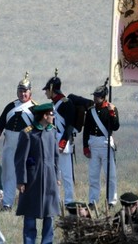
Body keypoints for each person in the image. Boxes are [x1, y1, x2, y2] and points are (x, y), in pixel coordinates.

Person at [14, 103, 60, 244]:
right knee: (30, 214)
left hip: (49, 179)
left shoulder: (52, 131)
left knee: (49, 214)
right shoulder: (28, 133)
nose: (53, 117)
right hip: (33, 180)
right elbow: (20, 159)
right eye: (51, 114)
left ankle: (47, 242)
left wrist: (57, 176)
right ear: (45, 116)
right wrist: (21, 180)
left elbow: (56, 156)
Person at [0, 71, 37, 211]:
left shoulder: (35, 108)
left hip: (25, 143)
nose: (23, 94)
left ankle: (27, 202)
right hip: (9, 142)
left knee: (25, 173)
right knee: (8, 173)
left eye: (25, 91)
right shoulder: (11, 106)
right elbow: (1, 121)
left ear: (30, 92)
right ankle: (7, 203)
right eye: (20, 91)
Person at [83, 82, 119, 207]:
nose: (95, 98)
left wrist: (111, 113)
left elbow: (116, 126)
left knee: (111, 175)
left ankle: (111, 201)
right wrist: (85, 147)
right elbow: (86, 130)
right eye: (95, 96)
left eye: (97, 96)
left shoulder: (111, 109)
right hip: (93, 144)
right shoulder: (91, 111)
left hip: (106, 144)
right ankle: (93, 200)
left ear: (103, 97)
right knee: (93, 175)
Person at [42, 69, 76, 205]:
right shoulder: (52, 104)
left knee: (66, 175)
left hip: (63, 143)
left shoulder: (66, 103)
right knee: (53, 174)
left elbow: (69, 126)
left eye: (47, 90)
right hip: (51, 142)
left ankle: (68, 201)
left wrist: (62, 143)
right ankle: (53, 199)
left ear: (52, 89)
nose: (45, 92)